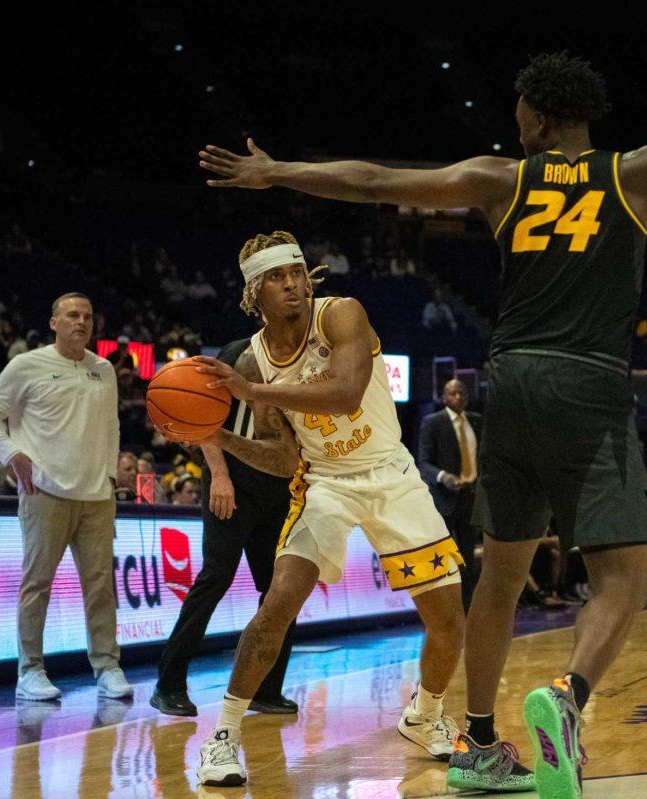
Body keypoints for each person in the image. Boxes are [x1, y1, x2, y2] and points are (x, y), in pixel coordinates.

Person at [197, 49, 647, 797]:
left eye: (518, 109)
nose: (514, 120)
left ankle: (476, 741)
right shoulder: (637, 171)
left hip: (513, 381)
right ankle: (568, 697)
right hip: (588, 383)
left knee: (498, 576)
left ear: (536, 114)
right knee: (625, 579)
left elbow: (375, 182)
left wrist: (280, 173)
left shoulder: (501, 178)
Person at [188, 232, 466, 787]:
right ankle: (222, 738)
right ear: (253, 294)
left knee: (449, 620)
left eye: (296, 271)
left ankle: (426, 712)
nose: (291, 282)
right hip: (325, 485)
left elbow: (344, 392)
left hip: (391, 474)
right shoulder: (254, 359)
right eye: (276, 277)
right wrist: (221, 435)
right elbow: (286, 457)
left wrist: (252, 395)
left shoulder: (340, 315)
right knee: (276, 607)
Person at [0, 292, 133, 702]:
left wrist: (112, 474)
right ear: (54, 322)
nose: (81, 322)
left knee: (101, 587)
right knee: (37, 584)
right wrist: (12, 455)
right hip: (45, 491)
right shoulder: (27, 365)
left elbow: (112, 426)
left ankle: (107, 666)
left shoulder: (104, 370)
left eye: (88, 316)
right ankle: (29, 672)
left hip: (98, 496)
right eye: (73, 315)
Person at [152, 337, 298, 720]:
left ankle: (266, 690)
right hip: (232, 480)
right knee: (216, 577)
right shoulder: (238, 352)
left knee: (282, 587)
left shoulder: (310, 361)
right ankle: (169, 684)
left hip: (280, 485)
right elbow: (201, 417)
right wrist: (218, 474)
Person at [418, 378, 483, 607]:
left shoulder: (476, 421)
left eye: (462, 393)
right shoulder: (433, 422)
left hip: (470, 496)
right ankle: (442, 609)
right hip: (444, 500)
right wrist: (443, 477)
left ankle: (466, 611)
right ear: (444, 397)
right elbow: (423, 462)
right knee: (442, 557)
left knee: (468, 559)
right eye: (453, 393)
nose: (458, 397)